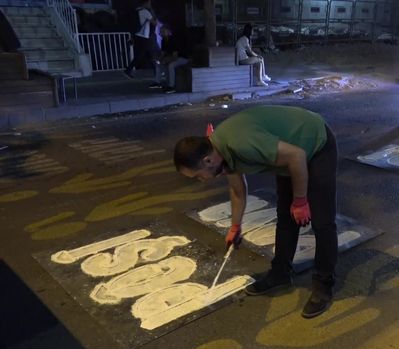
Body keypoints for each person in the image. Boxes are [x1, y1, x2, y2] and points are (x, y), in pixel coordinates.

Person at [174, 105, 338, 319]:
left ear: (207, 160)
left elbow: (297, 156)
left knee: (322, 221)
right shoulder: (220, 153)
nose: (201, 180)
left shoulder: (242, 144)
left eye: (198, 175)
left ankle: (323, 284)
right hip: (289, 152)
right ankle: (280, 274)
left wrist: (300, 201)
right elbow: (237, 190)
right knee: (286, 217)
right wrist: (235, 226)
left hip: (315, 143)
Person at [123, 0, 159, 82]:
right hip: (144, 36)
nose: (150, 4)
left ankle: (157, 71)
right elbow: (155, 23)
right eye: (149, 3)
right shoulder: (145, 11)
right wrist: (152, 10)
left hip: (137, 36)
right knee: (146, 54)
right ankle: (128, 70)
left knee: (147, 54)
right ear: (146, 3)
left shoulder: (136, 10)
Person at [153, 25, 190, 93]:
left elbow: (175, 57)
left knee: (171, 65)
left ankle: (171, 87)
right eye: (160, 32)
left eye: (163, 32)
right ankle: (158, 82)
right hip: (172, 58)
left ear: (168, 31)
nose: (161, 34)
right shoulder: (163, 41)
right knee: (159, 64)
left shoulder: (174, 40)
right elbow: (163, 53)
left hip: (183, 58)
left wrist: (166, 60)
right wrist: (159, 60)